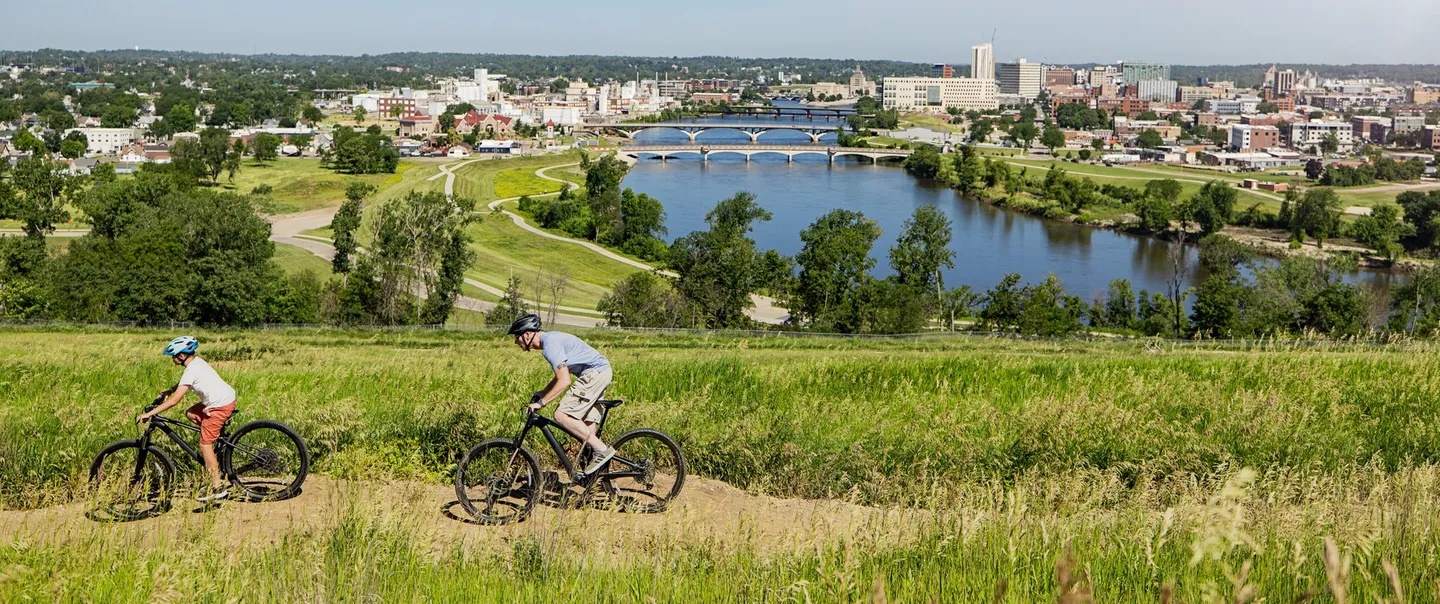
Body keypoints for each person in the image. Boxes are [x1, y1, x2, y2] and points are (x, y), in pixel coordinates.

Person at [507, 314, 616, 475]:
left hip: (594, 373)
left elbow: (564, 381)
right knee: (586, 434)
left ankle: (602, 450)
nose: (516, 342)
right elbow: (562, 374)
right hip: (601, 372)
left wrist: (541, 403)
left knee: (561, 415)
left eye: (517, 337)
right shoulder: (552, 340)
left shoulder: (550, 345)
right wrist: (543, 392)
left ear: (528, 334)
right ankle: (599, 480)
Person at [136, 336, 237, 502]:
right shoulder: (196, 363)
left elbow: (175, 401)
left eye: (173, 356)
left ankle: (217, 486)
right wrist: (169, 390)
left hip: (219, 406)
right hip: (224, 398)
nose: (172, 359)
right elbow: (184, 384)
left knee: (204, 444)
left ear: (182, 356)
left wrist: (150, 413)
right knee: (190, 413)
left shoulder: (191, 370)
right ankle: (215, 448)